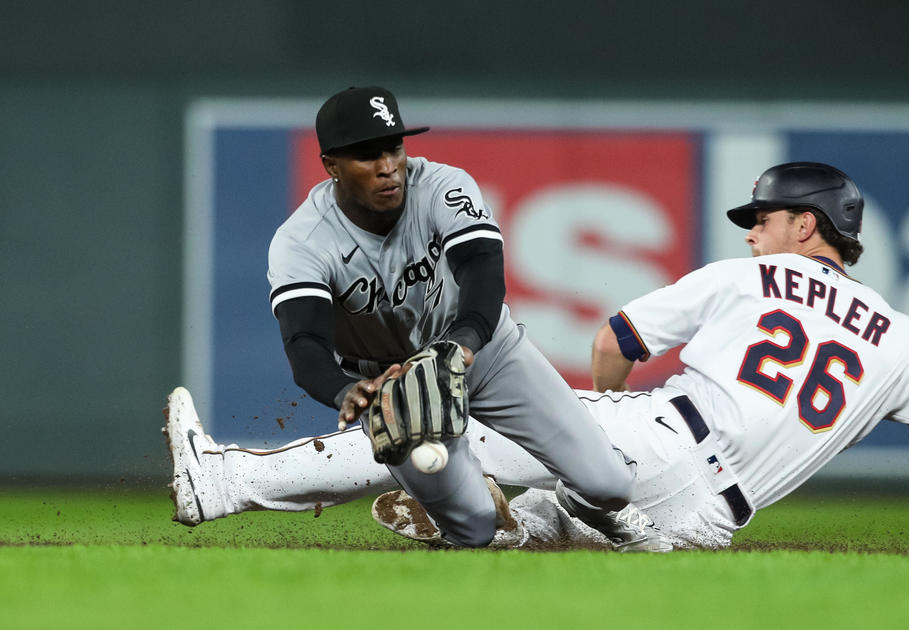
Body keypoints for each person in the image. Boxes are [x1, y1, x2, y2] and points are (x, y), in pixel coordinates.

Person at [166, 161, 909, 554]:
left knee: (430, 419)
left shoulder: (746, 280)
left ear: (808, 226)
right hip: (709, 524)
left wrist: (601, 418)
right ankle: (526, 520)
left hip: (662, 437)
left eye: (766, 220)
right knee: (580, 509)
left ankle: (221, 483)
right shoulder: (908, 343)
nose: (754, 233)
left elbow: (610, 343)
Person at [165, 85, 667, 552]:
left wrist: (466, 341)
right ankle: (459, 496)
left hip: (485, 353)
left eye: (394, 149)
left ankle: (582, 508)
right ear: (331, 165)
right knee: (475, 529)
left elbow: (482, 271)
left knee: (610, 484)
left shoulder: (442, 186)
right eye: (368, 155)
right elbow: (305, 345)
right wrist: (345, 392)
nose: (388, 166)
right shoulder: (302, 241)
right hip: (392, 386)